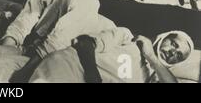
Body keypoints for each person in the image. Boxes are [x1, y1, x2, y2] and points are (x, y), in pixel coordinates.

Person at [30, 28, 195, 83]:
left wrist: (151, 56)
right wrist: (93, 77)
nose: (173, 53)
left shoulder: (151, 77)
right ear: (163, 37)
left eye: (179, 56)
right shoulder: (127, 37)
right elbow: (85, 43)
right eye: (173, 44)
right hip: (69, 67)